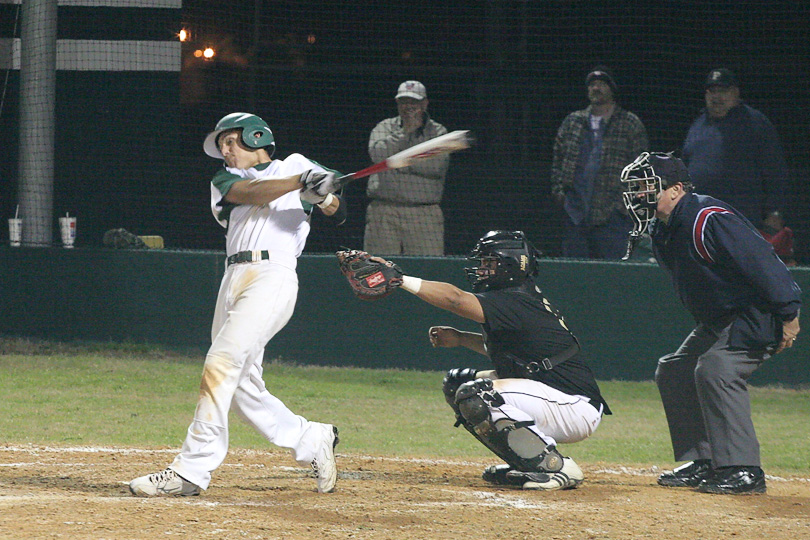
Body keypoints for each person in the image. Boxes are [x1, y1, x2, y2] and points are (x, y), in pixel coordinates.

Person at [129, 112, 345, 496]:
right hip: (233, 278)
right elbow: (252, 193)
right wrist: (300, 185)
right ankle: (311, 438)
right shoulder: (226, 180)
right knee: (242, 385)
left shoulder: (294, 164)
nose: (225, 151)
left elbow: (338, 210)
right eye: (222, 145)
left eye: (230, 142)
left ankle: (191, 471)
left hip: (273, 274)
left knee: (221, 362)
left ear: (256, 136)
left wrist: (322, 195)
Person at [620, 152, 801, 495]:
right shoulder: (666, 227)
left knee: (717, 368)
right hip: (723, 318)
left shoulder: (709, 217)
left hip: (757, 312)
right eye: (637, 188)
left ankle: (743, 469)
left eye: (646, 187)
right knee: (675, 370)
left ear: (674, 190)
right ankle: (703, 459)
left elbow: (763, 262)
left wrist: (789, 315)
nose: (639, 195)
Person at [395, 230, 611, 490]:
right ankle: (528, 462)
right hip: (552, 397)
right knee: (456, 384)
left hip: (573, 406)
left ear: (511, 265)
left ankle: (557, 467)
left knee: (478, 395)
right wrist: (462, 338)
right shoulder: (515, 297)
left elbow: (455, 299)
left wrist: (400, 279)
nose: (482, 269)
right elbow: (518, 353)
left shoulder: (516, 300)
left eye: (489, 262)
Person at [550, 65, 649, 259]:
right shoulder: (573, 122)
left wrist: (622, 207)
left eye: (602, 84)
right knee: (575, 274)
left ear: (612, 89)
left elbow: (642, 169)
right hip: (575, 215)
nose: (596, 88)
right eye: (592, 84)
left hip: (613, 220)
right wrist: (560, 194)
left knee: (613, 276)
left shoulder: (629, 124)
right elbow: (557, 161)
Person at [682, 68, 788, 226]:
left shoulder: (755, 123)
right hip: (701, 220)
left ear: (736, 93)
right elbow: (685, 170)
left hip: (743, 219)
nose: (717, 97)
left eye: (723, 91)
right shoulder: (697, 126)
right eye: (712, 91)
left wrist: (775, 211)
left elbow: (776, 171)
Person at [364, 80, 449, 256]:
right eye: (403, 102)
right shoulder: (385, 127)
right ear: (397, 104)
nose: (408, 107)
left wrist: (396, 162)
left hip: (423, 214)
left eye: (414, 102)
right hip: (384, 211)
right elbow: (378, 156)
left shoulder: (438, 132)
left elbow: (436, 166)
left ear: (425, 103)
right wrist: (405, 133)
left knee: (427, 271)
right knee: (378, 271)